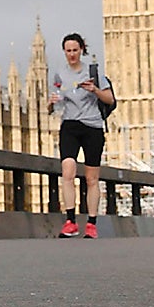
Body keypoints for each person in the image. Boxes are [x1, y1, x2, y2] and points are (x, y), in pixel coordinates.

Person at [49, 33, 114, 239]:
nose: (71, 54)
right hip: (70, 125)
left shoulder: (93, 71)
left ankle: (92, 223)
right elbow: (54, 106)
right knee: (67, 170)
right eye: (68, 51)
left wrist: (94, 89)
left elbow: (110, 99)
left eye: (75, 50)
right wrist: (51, 103)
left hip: (92, 126)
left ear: (81, 50)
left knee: (91, 178)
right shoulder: (59, 74)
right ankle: (70, 221)